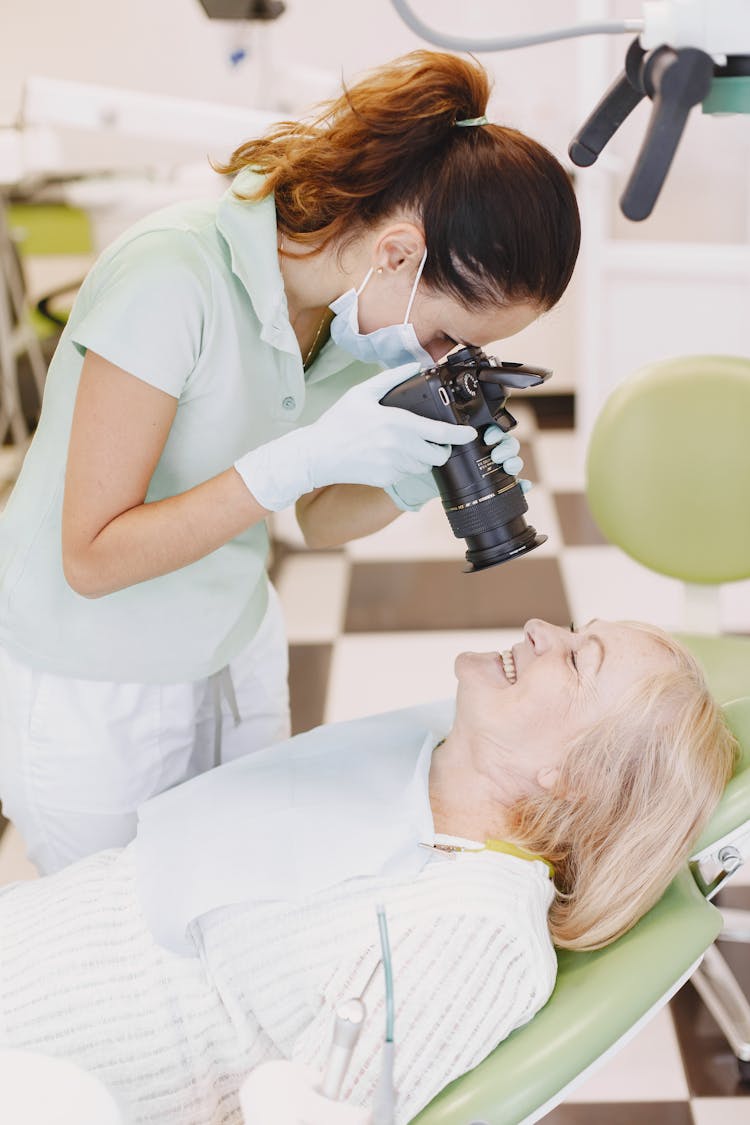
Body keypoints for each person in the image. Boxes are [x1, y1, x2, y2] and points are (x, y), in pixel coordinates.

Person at [0, 50, 580, 875]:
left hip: (234, 642)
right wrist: (295, 461)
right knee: (128, 940)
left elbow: (317, 518)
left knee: (237, 897)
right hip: (98, 680)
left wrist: (407, 473)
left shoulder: (344, 320)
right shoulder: (174, 275)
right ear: (397, 254)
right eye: (450, 335)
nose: (445, 359)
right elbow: (91, 558)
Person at [0, 618, 736, 1125]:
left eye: (577, 660)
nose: (545, 630)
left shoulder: (474, 935)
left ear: (575, 776)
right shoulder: (421, 768)